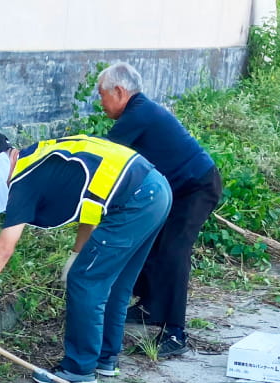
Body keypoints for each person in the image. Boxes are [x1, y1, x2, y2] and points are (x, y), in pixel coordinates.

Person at [0, 132, 169, 383]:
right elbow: (91, 203)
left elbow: (4, 248)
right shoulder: (41, 157)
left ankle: (79, 369)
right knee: (115, 282)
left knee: (85, 281)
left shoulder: (24, 178)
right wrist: (76, 254)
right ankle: (105, 359)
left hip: (135, 200)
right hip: (155, 188)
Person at [95, 62, 221, 360]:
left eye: (102, 95)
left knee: (173, 252)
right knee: (149, 242)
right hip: (177, 188)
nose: (100, 103)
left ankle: (176, 332)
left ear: (119, 91)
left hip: (196, 187)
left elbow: (105, 153)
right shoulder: (139, 110)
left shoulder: (138, 113)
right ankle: (149, 306)